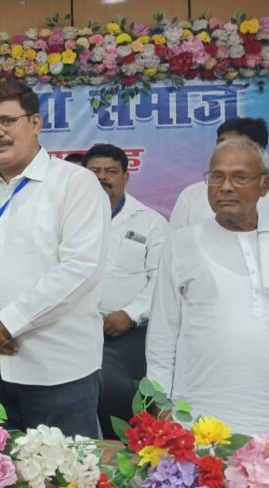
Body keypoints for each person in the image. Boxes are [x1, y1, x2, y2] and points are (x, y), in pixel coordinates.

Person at [0, 81, 108, 437]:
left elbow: (80, 269)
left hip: (56, 372)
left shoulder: (75, 184)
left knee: (65, 467)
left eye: (7, 121)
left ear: (35, 123)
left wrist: (3, 326)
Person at [148, 138, 269, 435]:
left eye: (239, 177)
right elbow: (163, 333)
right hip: (199, 415)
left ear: (264, 185)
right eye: (216, 177)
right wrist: (160, 403)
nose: (225, 187)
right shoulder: (181, 244)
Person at [83, 143, 168, 434]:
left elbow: (162, 280)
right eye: (94, 171)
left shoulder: (151, 222)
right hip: (76, 330)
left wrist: (130, 314)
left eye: (110, 171)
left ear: (125, 177)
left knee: (119, 407)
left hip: (128, 334)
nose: (102, 177)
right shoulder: (67, 219)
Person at [169, 117, 269, 230]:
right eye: (222, 145)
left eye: (236, 146)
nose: (227, 151)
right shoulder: (191, 195)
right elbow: (176, 237)